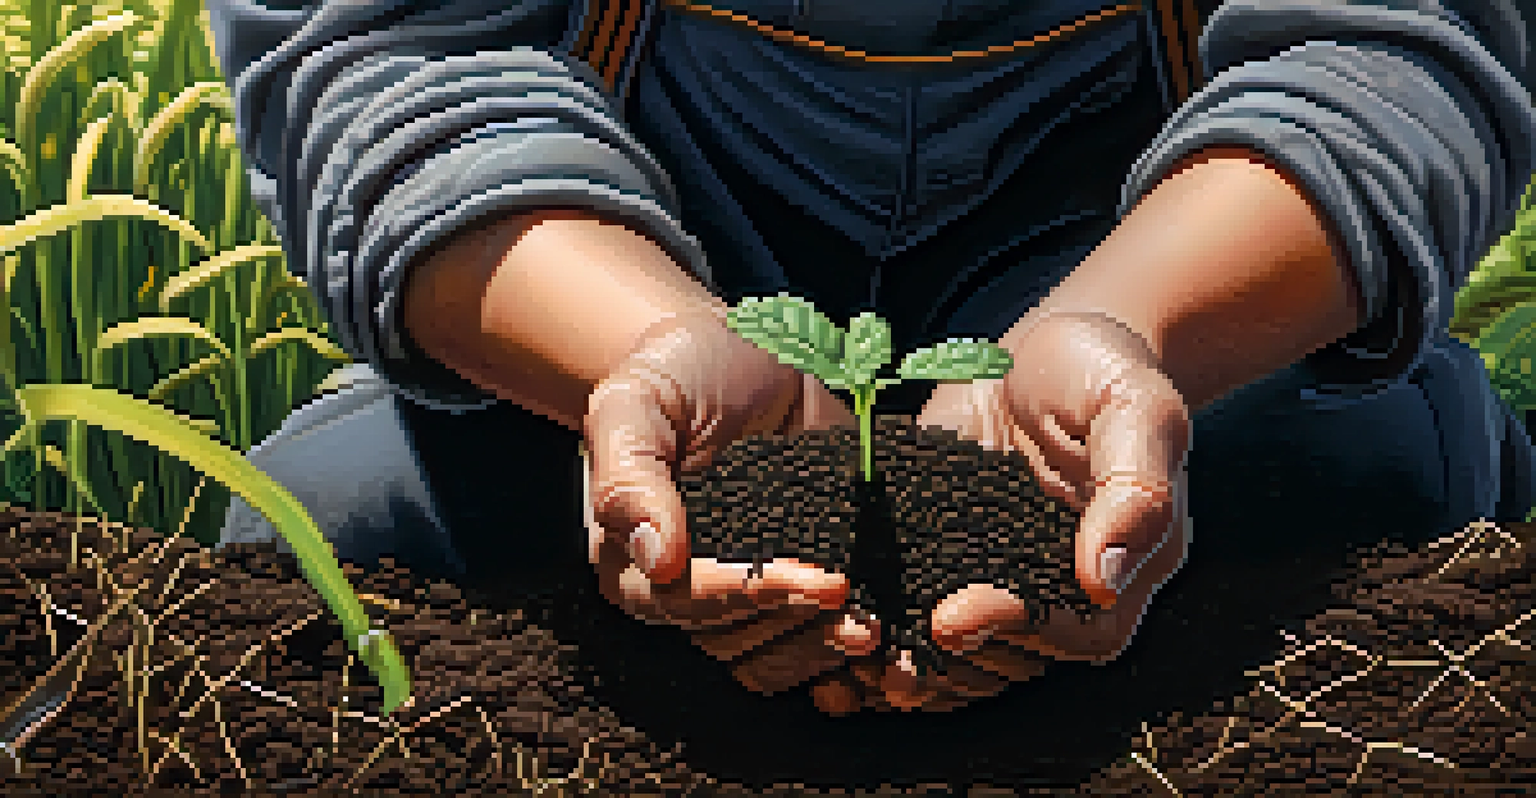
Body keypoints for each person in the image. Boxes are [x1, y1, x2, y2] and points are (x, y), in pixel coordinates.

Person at [205, 0, 1535, 725]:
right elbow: (391, 65)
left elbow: (1385, 51)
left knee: (1355, 464)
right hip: (611, 238)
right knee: (335, 525)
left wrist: (1132, 332)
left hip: (1151, 223)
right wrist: (644, 351)